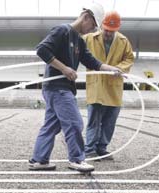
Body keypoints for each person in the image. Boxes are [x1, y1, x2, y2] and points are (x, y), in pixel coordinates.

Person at [29, 3, 122, 173]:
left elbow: (92, 62)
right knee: (74, 122)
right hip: (57, 87)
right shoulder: (62, 31)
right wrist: (64, 68)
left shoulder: (79, 40)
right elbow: (42, 49)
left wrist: (112, 69)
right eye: (93, 25)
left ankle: (39, 160)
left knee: (51, 125)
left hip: (60, 88)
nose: (93, 29)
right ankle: (77, 159)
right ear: (86, 16)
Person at [83, 10, 134, 160]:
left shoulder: (124, 41)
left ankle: (102, 148)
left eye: (112, 31)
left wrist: (119, 68)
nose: (108, 33)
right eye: (106, 30)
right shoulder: (88, 38)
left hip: (114, 87)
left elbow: (129, 59)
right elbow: (76, 51)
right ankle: (89, 149)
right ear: (101, 26)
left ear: (117, 29)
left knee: (110, 121)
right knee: (94, 120)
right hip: (97, 86)